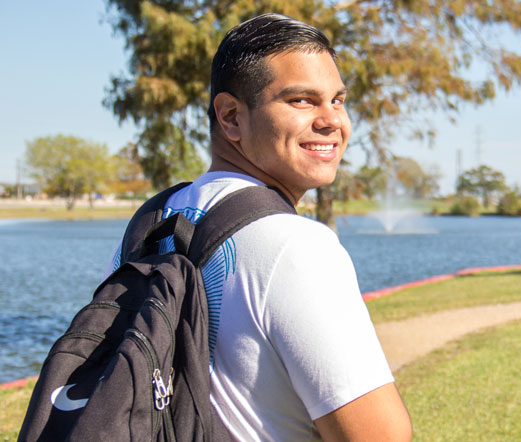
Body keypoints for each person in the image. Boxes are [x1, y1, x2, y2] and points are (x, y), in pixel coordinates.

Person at [107, 13, 411, 442]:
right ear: (231, 116)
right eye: (302, 100)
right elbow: (377, 436)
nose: (332, 121)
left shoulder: (151, 223)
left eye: (338, 100)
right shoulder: (296, 246)